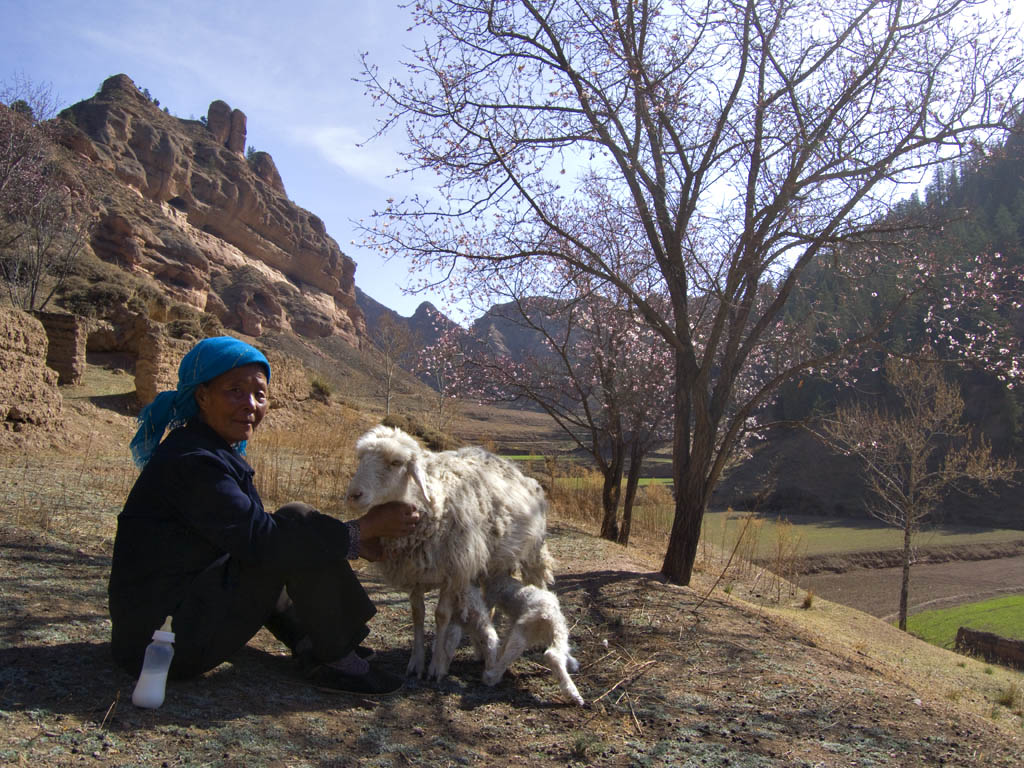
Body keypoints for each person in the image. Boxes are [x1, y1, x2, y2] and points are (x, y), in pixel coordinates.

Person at [108, 336, 419, 695]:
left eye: (260, 394)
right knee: (293, 529)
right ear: (202, 397)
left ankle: (316, 640)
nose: (250, 405)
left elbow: (247, 534)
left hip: (159, 630)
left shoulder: (204, 449)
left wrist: (347, 536)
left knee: (293, 525)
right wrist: (361, 530)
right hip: (162, 645)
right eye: (235, 391)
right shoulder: (193, 462)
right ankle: (335, 657)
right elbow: (263, 542)